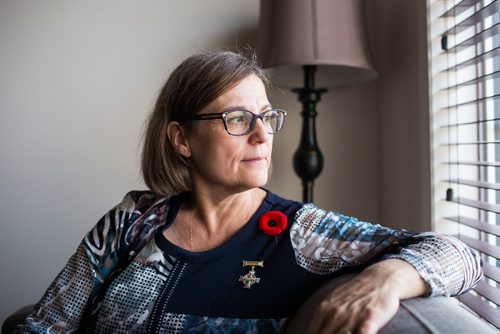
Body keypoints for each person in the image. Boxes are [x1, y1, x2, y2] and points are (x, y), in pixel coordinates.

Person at [17, 50, 482, 334]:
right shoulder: (134, 219)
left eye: (266, 116)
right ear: (181, 139)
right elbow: (45, 325)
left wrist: (387, 279)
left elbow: (459, 255)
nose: (262, 135)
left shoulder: (300, 233)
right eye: (237, 119)